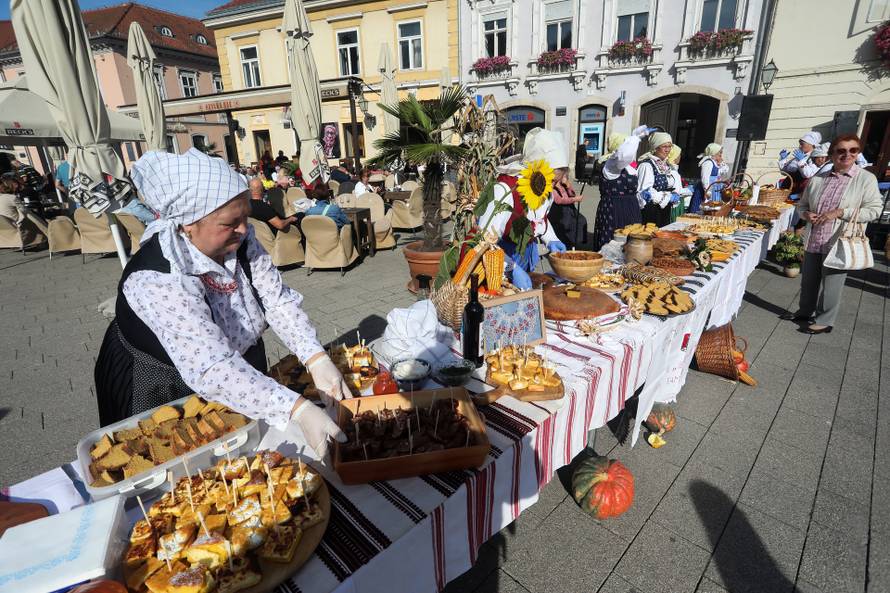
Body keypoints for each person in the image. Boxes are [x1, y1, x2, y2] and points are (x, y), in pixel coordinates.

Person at [93, 148, 348, 458]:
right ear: (188, 224)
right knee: (180, 460)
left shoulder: (241, 237)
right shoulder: (158, 278)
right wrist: (294, 408)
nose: (243, 229)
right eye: (230, 223)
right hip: (163, 379)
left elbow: (275, 299)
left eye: (244, 216)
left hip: (235, 366)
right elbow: (212, 366)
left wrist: (314, 356)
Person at [782, 134, 883, 334]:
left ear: (858, 153)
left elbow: (874, 210)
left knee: (832, 284)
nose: (847, 155)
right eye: (841, 150)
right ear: (831, 154)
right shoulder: (819, 178)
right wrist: (806, 214)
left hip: (839, 240)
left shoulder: (865, 179)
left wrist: (840, 212)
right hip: (814, 238)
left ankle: (825, 320)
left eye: (853, 150)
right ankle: (804, 311)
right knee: (809, 280)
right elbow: (802, 205)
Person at [478, 127, 567, 289]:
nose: (552, 187)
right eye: (551, 181)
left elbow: (539, 220)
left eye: (556, 182)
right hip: (501, 259)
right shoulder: (504, 191)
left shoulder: (545, 193)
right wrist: (511, 268)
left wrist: (551, 239)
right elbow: (484, 242)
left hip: (528, 255)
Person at [592, 127, 648, 250]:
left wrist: (641, 198)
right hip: (615, 209)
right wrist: (635, 138)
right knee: (614, 245)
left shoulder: (629, 167)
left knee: (633, 245)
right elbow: (624, 155)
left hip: (632, 208)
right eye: (625, 144)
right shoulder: (611, 165)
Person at [637, 132, 682, 228]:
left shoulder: (667, 166)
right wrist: (667, 197)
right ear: (655, 147)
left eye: (669, 146)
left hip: (665, 209)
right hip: (652, 211)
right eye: (664, 146)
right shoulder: (646, 165)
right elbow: (645, 192)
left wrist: (675, 194)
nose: (668, 150)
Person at [549, 161, 585, 249]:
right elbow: (559, 200)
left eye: (565, 175)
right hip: (558, 210)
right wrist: (575, 199)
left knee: (581, 220)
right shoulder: (552, 185)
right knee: (565, 225)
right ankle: (565, 244)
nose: (564, 177)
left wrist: (568, 186)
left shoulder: (564, 184)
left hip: (569, 208)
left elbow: (572, 194)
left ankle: (574, 243)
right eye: (563, 175)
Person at [690, 143, 729, 213]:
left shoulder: (715, 163)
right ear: (714, 152)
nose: (721, 154)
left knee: (712, 208)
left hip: (714, 190)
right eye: (720, 152)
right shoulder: (708, 162)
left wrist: (721, 162)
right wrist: (707, 191)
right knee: (703, 208)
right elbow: (704, 178)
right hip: (706, 189)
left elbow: (725, 170)